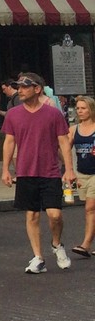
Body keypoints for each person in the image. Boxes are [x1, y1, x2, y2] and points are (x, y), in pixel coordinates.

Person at [1, 73, 76, 274]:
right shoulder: (13, 114)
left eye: (25, 87)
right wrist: (5, 169)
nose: (20, 90)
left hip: (50, 170)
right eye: (18, 87)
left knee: (55, 215)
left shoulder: (53, 114)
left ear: (37, 89)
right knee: (32, 214)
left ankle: (57, 244)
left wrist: (69, 169)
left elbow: (63, 143)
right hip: (25, 171)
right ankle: (38, 257)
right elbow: (9, 142)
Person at [71, 96, 95, 258]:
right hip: (82, 174)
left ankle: (85, 244)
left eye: (83, 108)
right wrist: (70, 171)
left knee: (90, 209)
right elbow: (63, 148)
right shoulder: (73, 129)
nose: (80, 111)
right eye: (78, 108)